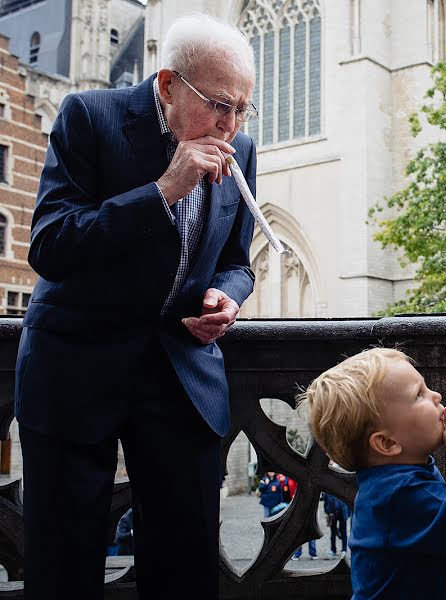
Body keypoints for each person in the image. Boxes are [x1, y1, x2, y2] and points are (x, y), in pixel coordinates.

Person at [15, 14, 258, 598]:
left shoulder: (241, 148)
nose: (228, 126)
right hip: (76, 368)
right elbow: (50, 245)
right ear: (169, 84)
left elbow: (238, 259)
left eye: (241, 109)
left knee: (186, 563)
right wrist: (160, 193)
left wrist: (228, 296)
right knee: (63, 564)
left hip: (180, 376)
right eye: (217, 105)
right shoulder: (88, 117)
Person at [302, 348, 446, 600]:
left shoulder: (396, 479)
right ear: (386, 444)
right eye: (419, 394)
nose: (437, 395)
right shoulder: (401, 493)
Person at [323, 492, 350, 557]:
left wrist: (347, 514)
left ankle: (344, 550)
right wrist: (328, 512)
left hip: (342, 513)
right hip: (332, 514)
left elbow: (348, 502)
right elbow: (325, 502)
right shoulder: (327, 491)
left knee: (344, 533)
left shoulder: (343, 488)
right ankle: (333, 550)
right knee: (333, 533)